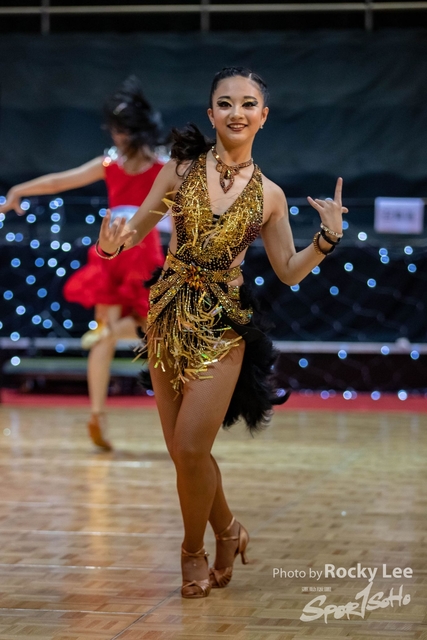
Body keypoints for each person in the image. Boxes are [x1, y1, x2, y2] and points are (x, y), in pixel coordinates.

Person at [97, 67, 348, 598]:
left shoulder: (270, 196)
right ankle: (229, 529)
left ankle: (192, 551)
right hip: (166, 318)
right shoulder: (179, 170)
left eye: (248, 103)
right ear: (211, 113)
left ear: (263, 116)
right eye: (226, 103)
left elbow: (288, 270)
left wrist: (325, 241)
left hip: (221, 324)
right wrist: (111, 245)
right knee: (181, 453)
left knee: (192, 448)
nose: (237, 112)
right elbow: (136, 229)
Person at [0, 76, 165, 451]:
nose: (116, 136)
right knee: (147, 329)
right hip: (134, 247)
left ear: (132, 131)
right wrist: (21, 189)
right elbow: (59, 182)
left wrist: (20, 189)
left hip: (115, 247)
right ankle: (100, 408)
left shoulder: (130, 164)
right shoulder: (155, 165)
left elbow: (59, 182)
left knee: (119, 332)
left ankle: (97, 410)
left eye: (120, 130)